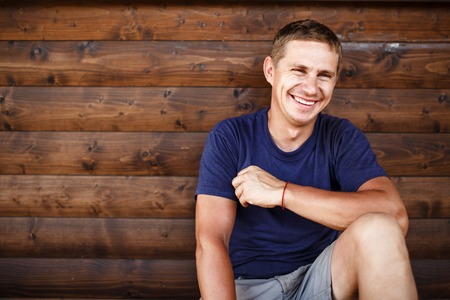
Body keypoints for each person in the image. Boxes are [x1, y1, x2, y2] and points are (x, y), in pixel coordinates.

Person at [195, 19, 418, 300]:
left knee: (380, 228)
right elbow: (210, 240)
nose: (311, 88)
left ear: (335, 80)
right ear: (270, 70)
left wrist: (282, 192)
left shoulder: (341, 136)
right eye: (299, 70)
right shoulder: (230, 136)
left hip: (319, 280)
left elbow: (395, 216)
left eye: (324, 75)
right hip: (248, 289)